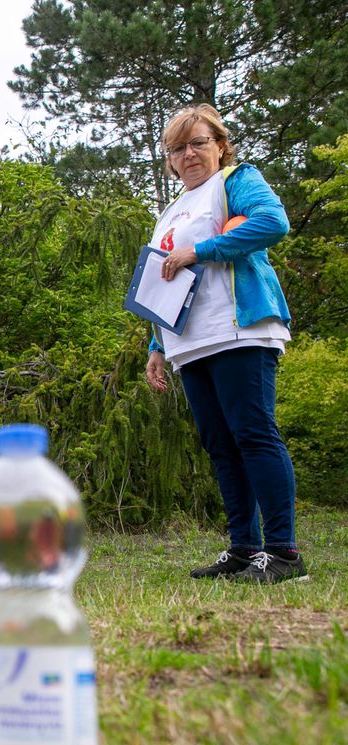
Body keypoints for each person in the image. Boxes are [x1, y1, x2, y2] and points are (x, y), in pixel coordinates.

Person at [145, 104, 305, 584]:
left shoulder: (236, 180)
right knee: (219, 445)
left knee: (253, 434)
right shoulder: (170, 211)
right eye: (177, 148)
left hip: (239, 329)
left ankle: (284, 553)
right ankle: (243, 548)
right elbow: (161, 280)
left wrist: (203, 249)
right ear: (169, 160)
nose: (188, 154)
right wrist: (154, 344)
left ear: (219, 144)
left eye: (198, 143)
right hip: (189, 343)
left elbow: (272, 222)